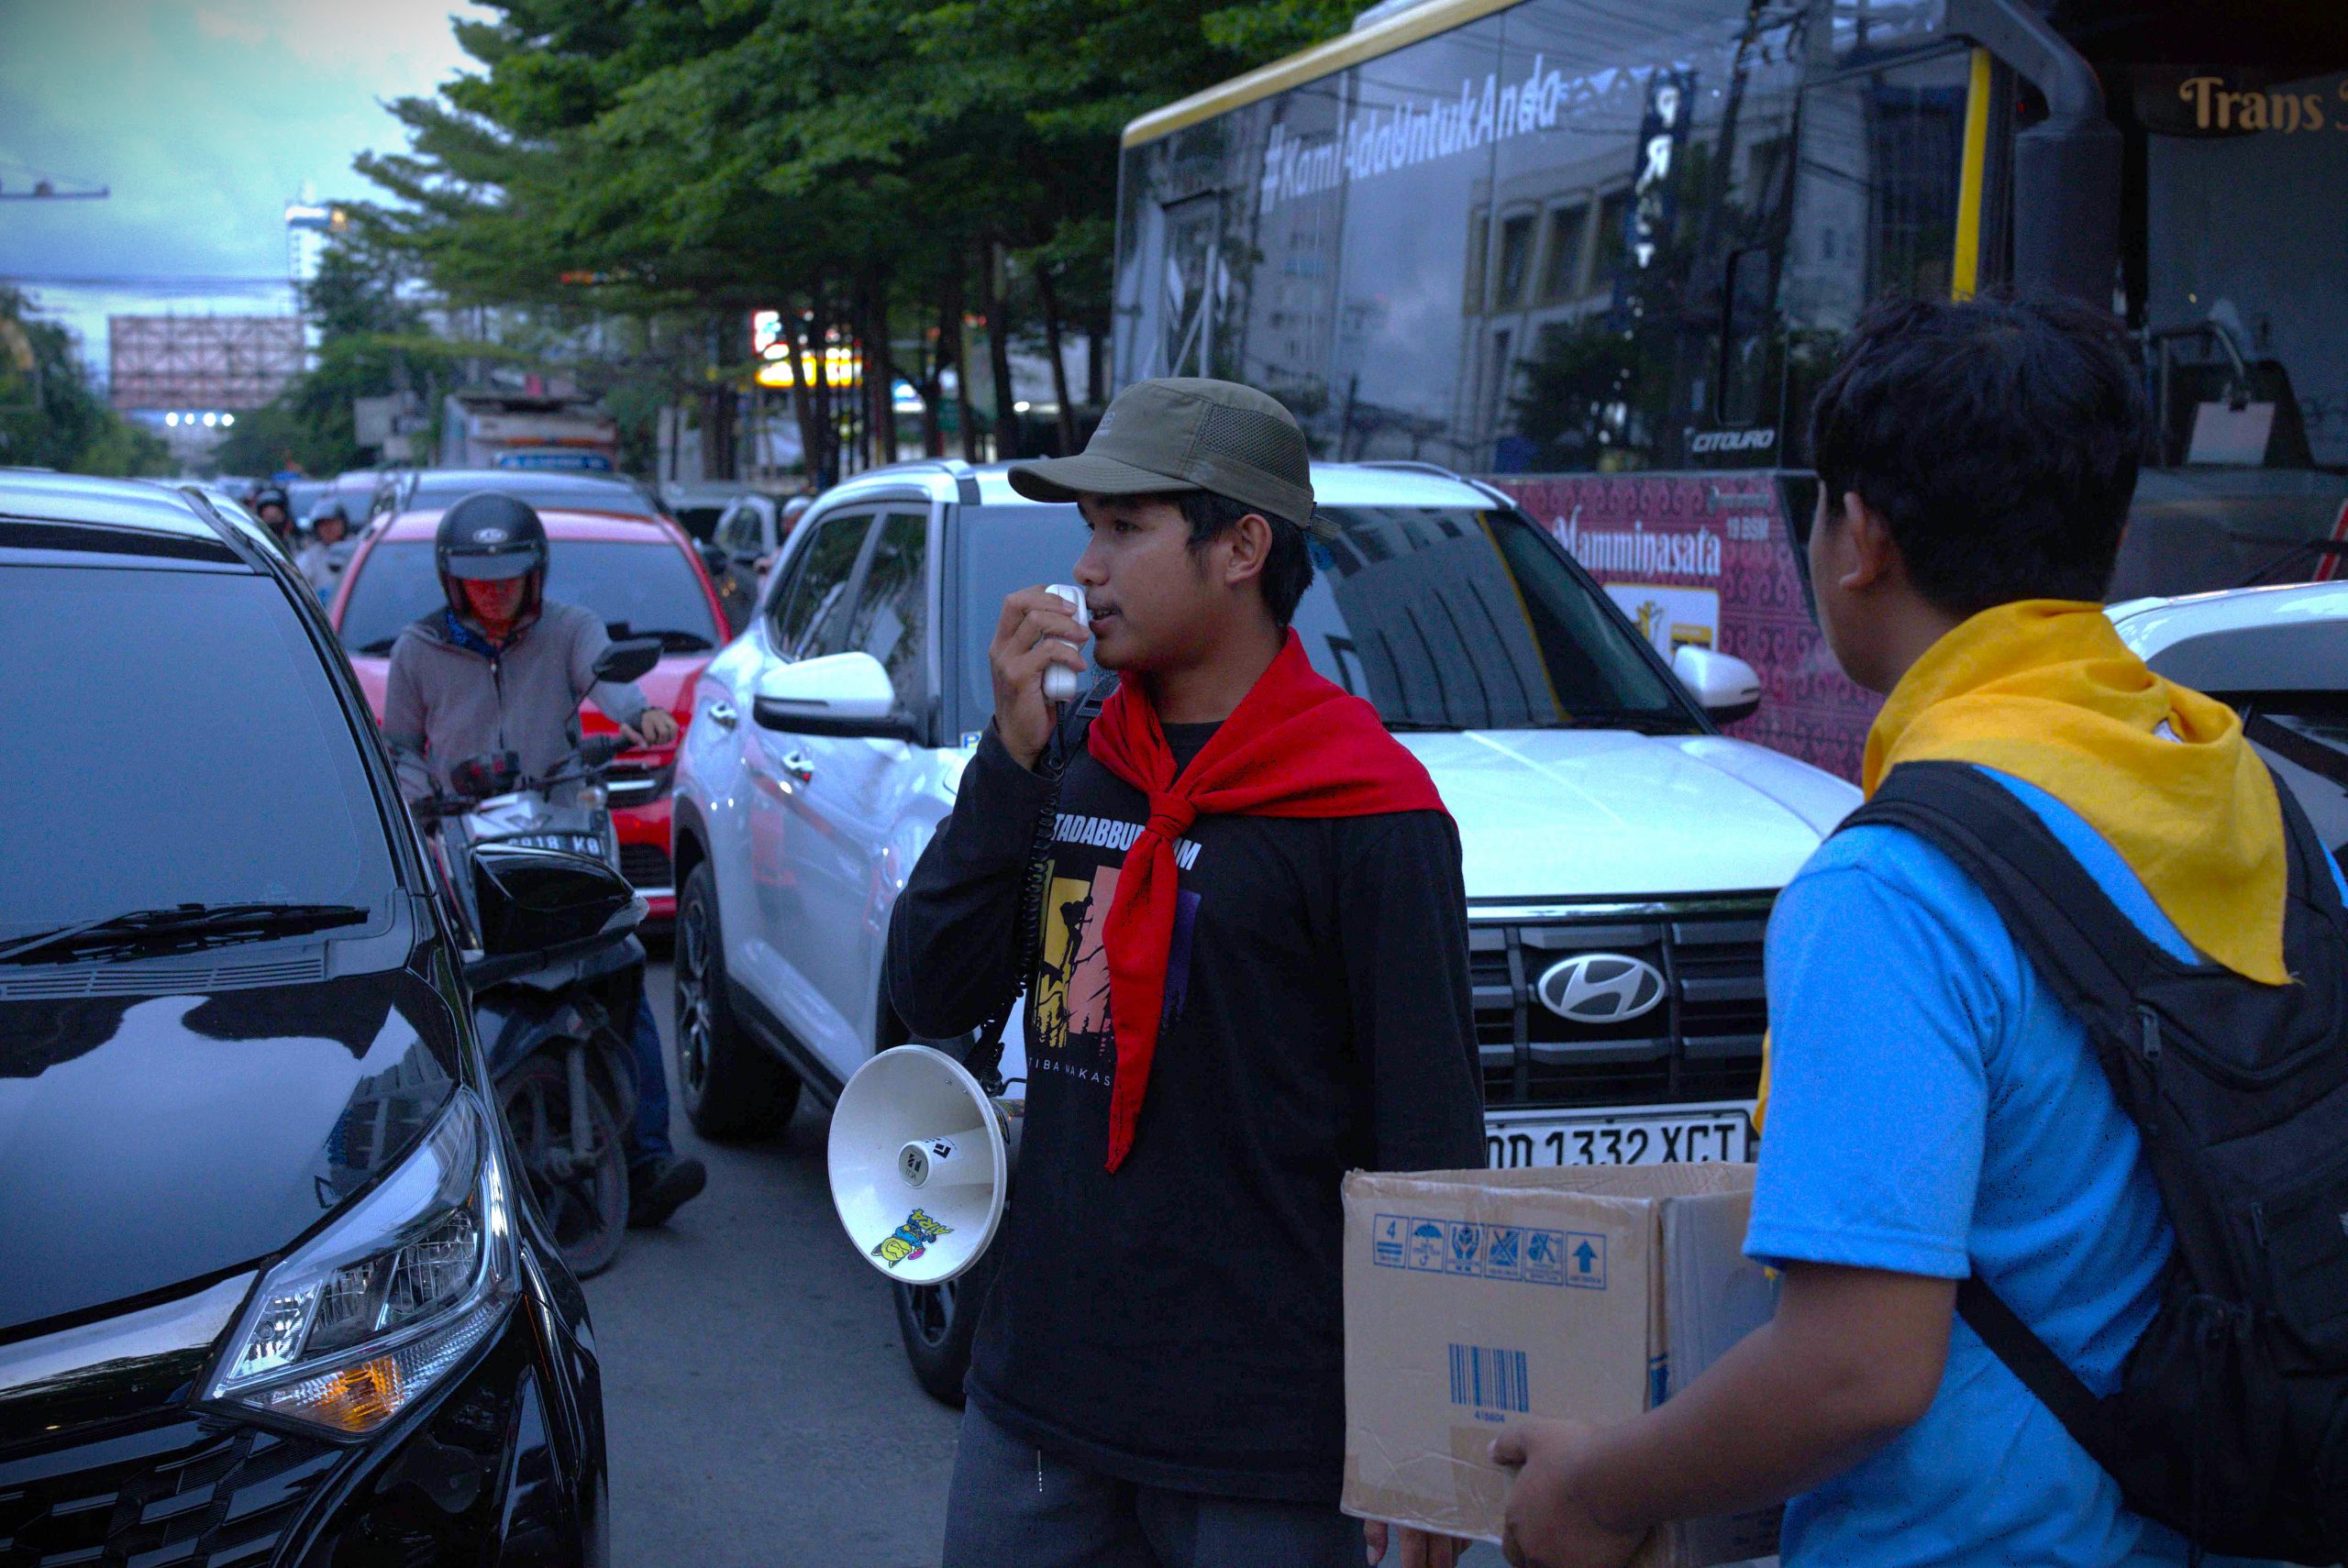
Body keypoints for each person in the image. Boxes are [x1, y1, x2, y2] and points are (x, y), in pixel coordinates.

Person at [1488, 294, 2338, 1568]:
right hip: (2244, 1508)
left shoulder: (1894, 883)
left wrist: (1598, 1489)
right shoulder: (2246, 784)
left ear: (1862, 535)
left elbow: (1856, 1370)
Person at [886, 378, 1486, 1568]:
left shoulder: (1370, 812)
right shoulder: (1073, 758)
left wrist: (1432, 1443)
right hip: (1039, 1404)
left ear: (1242, 547)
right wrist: (1005, 767)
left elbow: (1428, 1144)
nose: (1086, 566)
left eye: (1125, 527)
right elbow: (932, 989)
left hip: (1262, 1442)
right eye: (1088, 529)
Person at [384, 491, 707, 1228]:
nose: (494, 590)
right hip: (465, 844)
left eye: (510, 574)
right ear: (451, 577)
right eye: (477, 576)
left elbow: (609, 677)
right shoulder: (417, 649)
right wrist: (417, 799)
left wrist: (639, 714)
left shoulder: (569, 628)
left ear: (537, 572)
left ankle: (648, 1155)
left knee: (620, 961)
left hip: (563, 834)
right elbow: (402, 748)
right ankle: (448, 1167)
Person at [296, 502, 352, 599]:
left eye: (332, 523)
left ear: (343, 524)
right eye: (323, 525)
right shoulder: (310, 557)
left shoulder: (357, 548)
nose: (328, 528)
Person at [250, 484, 296, 556]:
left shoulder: (295, 542)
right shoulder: (254, 542)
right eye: (268, 517)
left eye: (276, 516)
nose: (272, 519)